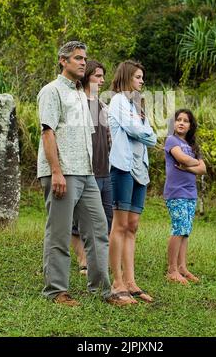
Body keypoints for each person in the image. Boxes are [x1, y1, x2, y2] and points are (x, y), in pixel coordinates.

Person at [37, 41, 114, 306]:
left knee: (98, 230)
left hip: (87, 173)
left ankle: (102, 290)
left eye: (85, 58)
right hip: (62, 173)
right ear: (63, 61)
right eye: (78, 58)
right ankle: (56, 291)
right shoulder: (51, 91)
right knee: (59, 232)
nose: (83, 62)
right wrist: (56, 171)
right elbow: (48, 132)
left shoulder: (82, 94)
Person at [108, 60, 157, 305]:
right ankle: (116, 284)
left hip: (140, 170)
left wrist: (144, 130)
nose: (141, 81)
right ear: (127, 77)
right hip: (122, 167)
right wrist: (144, 130)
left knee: (133, 225)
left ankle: (131, 281)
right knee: (120, 224)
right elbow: (137, 131)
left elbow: (152, 138)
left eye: (142, 77)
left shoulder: (137, 106)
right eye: (138, 77)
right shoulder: (117, 101)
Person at [71, 60, 113, 275]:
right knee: (80, 219)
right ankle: (83, 259)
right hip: (85, 170)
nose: (102, 80)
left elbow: (108, 138)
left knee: (106, 218)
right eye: (98, 75)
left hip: (105, 169)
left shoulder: (103, 106)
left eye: (103, 76)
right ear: (87, 76)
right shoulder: (77, 102)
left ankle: (99, 259)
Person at [163, 109, 206, 285]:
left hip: (190, 192)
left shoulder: (193, 146)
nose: (181, 123)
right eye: (178, 120)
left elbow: (202, 169)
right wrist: (193, 163)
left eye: (185, 121)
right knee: (178, 229)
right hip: (176, 191)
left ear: (190, 125)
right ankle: (172, 270)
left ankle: (182, 267)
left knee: (185, 231)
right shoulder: (171, 140)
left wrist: (189, 167)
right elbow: (182, 158)